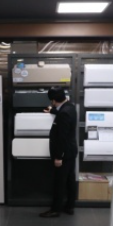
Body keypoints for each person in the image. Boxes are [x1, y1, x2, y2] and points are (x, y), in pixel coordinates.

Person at [39, 86, 78, 218]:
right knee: (70, 180)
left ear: (54, 100)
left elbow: (62, 137)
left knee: (59, 182)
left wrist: (58, 157)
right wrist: (52, 110)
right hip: (71, 151)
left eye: (52, 102)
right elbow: (61, 111)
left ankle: (55, 210)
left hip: (64, 153)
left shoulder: (64, 114)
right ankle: (70, 206)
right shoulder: (70, 107)